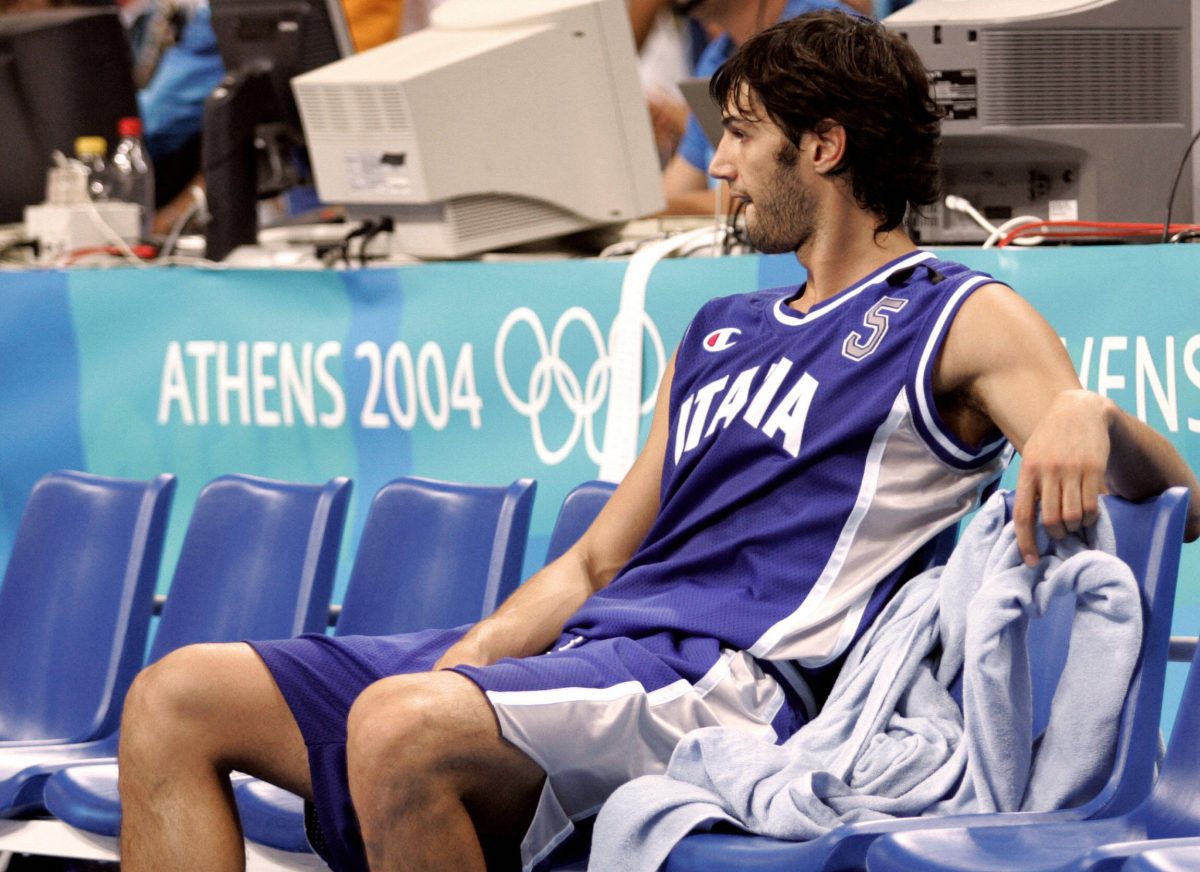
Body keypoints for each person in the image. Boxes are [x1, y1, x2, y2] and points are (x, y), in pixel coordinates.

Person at [117, 11, 1200, 872]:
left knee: (401, 730)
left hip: (733, 684)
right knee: (176, 698)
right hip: (601, 653)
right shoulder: (719, 327)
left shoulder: (956, 314)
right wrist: (482, 651)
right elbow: (598, 559)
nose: (717, 165)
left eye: (741, 133)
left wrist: (1089, 414)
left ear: (822, 146)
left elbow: (1182, 502)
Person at [661, 0, 863, 214]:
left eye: (741, 134)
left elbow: (781, 192)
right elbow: (681, 180)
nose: (717, 167)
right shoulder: (715, 59)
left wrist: (652, 209)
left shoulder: (826, 37)